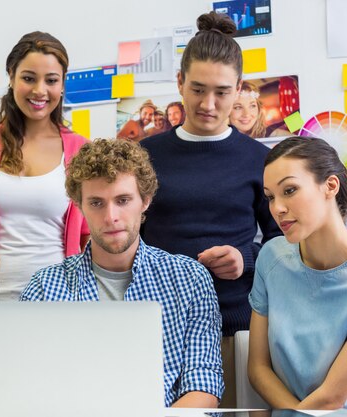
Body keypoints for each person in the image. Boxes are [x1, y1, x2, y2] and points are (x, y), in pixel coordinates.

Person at [140, 11, 282, 407]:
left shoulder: (260, 159)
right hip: (154, 326)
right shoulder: (144, 156)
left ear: (239, 89)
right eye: (198, 89)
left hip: (234, 327)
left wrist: (245, 257)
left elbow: (285, 242)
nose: (208, 103)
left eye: (221, 91)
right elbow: (123, 234)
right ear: (180, 82)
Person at [20, 139, 223, 408]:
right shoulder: (45, 288)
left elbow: (204, 384)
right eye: (96, 203)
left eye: (123, 200)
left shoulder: (189, 279)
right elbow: (30, 385)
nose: (111, 216)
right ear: (79, 207)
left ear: (145, 201)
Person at [248, 136, 347, 410]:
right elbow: (259, 369)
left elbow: (333, 396)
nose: (277, 208)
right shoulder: (271, 258)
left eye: (290, 190)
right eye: (270, 197)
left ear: (330, 185)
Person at [0, 31, 89, 301]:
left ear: (62, 85)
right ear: (11, 76)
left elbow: (88, 235)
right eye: (28, 78)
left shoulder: (82, 150)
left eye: (51, 80)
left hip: (57, 298)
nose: (40, 90)